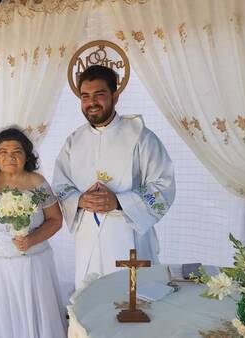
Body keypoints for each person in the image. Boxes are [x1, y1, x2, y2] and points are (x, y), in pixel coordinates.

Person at [52, 65, 176, 288]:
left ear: (115, 96)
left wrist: (119, 201)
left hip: (130, 232)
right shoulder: (74, 141)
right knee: (91, 299)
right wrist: (79, 199)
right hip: (88, 233)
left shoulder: (141, 137)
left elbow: (163, 185)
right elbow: (61, 184)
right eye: (85, 96)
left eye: (99, 94)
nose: (92, 103)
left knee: (133, 300)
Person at [0, 128, 66, 338]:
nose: (10, 156)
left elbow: (56, 220)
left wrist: (32, 239)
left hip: (33, 265)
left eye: (17, 151)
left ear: (26, 156)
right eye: (3, 151)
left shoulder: (37, 182)